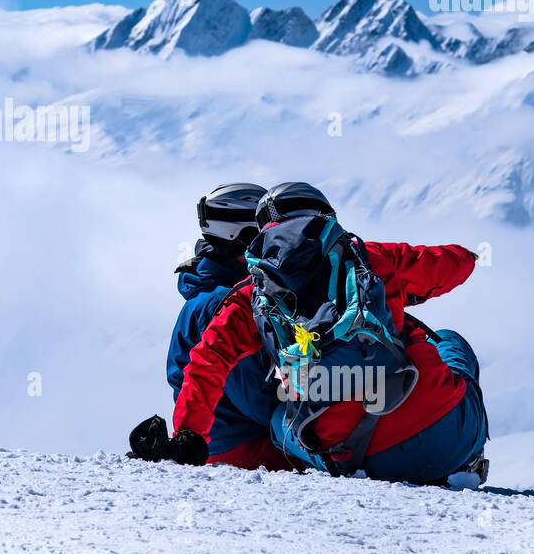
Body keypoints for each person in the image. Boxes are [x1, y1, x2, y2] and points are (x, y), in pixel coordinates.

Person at [168, 182, 489, 486]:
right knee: (450, 341)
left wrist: (189, 433)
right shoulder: (370, 257)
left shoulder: (250, 296)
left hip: (357, 455)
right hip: (446, 435)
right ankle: (467, 462)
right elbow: (452, 265)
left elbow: (208, 359)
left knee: (284, 419)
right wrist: (468, 258)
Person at [132, 184, 292, 471]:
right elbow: (255, 400)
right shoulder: (225, 303)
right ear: (244, 236)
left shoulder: (215, 292)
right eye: (267, 234)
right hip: (241, 445)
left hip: (221, 439)